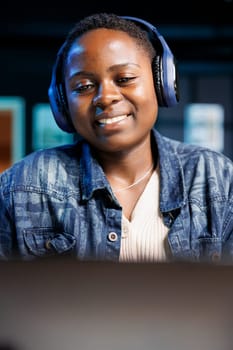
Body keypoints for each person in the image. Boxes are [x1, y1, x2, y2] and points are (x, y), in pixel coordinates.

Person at [0, 13, 233, 263]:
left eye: (124, 79)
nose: (106, 97)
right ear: (62, 103)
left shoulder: (217, 179)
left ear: (162, 83)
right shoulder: (22, 186)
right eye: (84, 86)